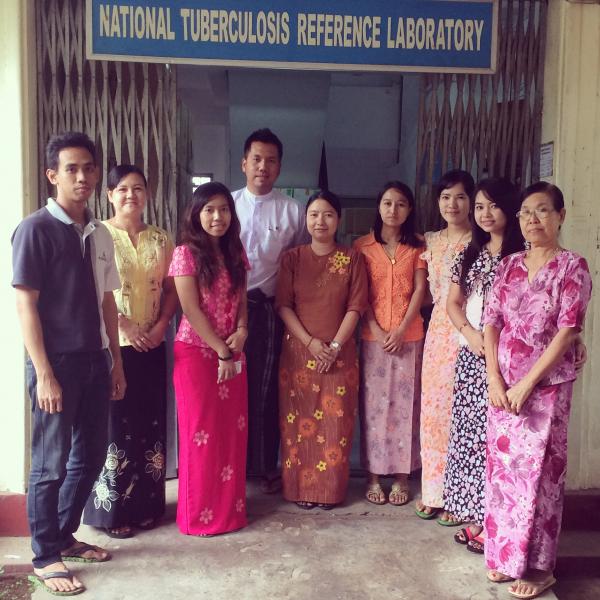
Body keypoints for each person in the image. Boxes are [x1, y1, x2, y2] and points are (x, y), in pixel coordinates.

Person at [12, 131, 126, 596]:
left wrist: (115, 362)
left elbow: (106, 303)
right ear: (52, 175)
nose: (82, 177)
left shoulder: (99, 232)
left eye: (89, 168)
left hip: (95, 362)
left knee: (92, 454)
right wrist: (43, 373)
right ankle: (44, 555)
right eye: (72, 169)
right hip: (54, 365)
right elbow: (25, 306)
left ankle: (63, 536)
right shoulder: (35, 229)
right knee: (49, 464)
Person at [483, 182, 592, 599]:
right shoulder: (508, 265)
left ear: (561, 215)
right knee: (505, 476)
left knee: (541, 478)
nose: (532, 219)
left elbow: (568, 331)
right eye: (526, 212)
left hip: (545, 389)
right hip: (503, 386)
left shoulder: (572, 266)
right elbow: (491, 322)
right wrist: (495, 377)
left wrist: (529, 383)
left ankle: (540, 568)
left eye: (543, 211)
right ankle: (505, 557)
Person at [82, 165, 177, 538]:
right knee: (116, 426)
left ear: (147, 194)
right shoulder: (98, 235)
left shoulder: (160, 238)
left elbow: (171, 290)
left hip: (153, 344)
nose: (130, 196)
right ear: (108, 194)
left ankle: (147, 506)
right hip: (113, 346)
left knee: (149, 423)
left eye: (138, 188)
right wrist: (126, 326)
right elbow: (95, 290)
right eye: (122, 189)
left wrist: (158, 327)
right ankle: (113, 512)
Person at [444, 178, 523, 552]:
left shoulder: (522, 255)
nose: (485, 214)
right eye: (479, 207)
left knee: (502, 441)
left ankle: (500, 521)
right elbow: (452, 304)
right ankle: (479, 516)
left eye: (493, 205)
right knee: (473, 440)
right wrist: (470, 334)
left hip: (511, 360)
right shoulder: (470, 253)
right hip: (473, 356)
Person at [276, 190, 368, 509]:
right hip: (299, 355)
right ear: (306, 219)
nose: (320, 221)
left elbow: (356, 307)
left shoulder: (351, 257)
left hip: (339, 356)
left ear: (338, 220)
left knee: (334, 425)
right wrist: (312, 343)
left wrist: (335, 346)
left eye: (328, 214)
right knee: (297, 425)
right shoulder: (292, 258)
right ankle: (299, 490)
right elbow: (284, 306)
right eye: (314, 214)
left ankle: (330, 492)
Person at [169, 182, 249, 535]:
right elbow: (190, 309)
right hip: (198, 353)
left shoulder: (236, 252)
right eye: (209, 210)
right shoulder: (185, 253)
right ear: (196, 214)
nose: (218, 217)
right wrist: (222, 350)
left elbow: (242, 301)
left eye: (224, 210)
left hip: (233, 349)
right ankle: (197, 516)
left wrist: (242, 331)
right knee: (199, 434)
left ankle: (229, 513)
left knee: (231, 435)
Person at [232, 128, 307, 493]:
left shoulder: (292, 211)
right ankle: (231, 462)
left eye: (271, 160)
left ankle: (264, 465)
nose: (263, 166)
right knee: (231, 387)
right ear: (244, 163)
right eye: (256, 159)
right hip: (230, 312)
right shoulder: (226, 207)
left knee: (268, 389)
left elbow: (298, 264)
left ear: (279, 167)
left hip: (272, 312)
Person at [354, 181, 427, 506]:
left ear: (409, 209)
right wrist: (377, 328)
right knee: (374, 409)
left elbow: (419, 291)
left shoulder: (419, 247)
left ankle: (401, 477)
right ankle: (373, 476)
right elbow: (360, 295)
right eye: (387, 203)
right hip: (373, 339)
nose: (393, 209)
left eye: (400, 204)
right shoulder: (361, 247)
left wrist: (401, 329)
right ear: (379, 207)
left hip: (409, 338)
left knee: (405, 408)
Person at [416, 169, 474, 524]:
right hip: (438, 328)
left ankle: (458, 496)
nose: (452, 204)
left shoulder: (480, 241)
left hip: (469, 329)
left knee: (462, 413)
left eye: (460, 197)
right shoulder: (431, 240)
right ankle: (433, 491)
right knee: (434, 411)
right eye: (445, 197)